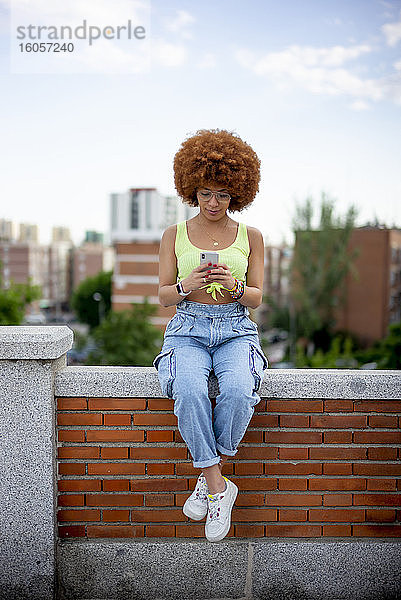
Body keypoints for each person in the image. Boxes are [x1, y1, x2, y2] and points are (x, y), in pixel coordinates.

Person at [153, 128, 268, 543]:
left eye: (222, 193)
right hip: (188, 328)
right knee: (187, 388)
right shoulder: (173, 235)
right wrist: (188, 283)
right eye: (205, 193)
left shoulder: (251, 236)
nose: (213, 203)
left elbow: (255, 297)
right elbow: (165, 295)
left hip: (236, 328)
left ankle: (207, 476)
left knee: (239, 391)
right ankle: (220, 486)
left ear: (237, 191)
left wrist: (235, 287)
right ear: (192, 190)